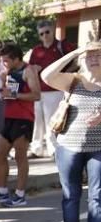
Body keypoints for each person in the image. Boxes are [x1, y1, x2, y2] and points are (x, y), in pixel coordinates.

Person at [41, 41, 101, 222]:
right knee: (70, 194)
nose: (94, 57)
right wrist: (75, 52)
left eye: (98, 54)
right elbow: (46, 76)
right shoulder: (74, 80)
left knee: (97, 195)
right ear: (82, 59)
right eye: (89, 54)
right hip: (68, 146)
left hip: (99, 149)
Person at [0, 43, 42, 207]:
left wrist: (14, 94)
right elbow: (6, 92)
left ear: (16, 59)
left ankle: (20, 194)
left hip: (24, 118)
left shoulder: (28, 70)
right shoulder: (7, 71)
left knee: (20, 156)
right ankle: (2, 192)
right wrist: (3, 90)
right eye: (2, 61)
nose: (4, 64)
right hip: (9, 117)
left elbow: (36, 95)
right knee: (0, 154)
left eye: (6, 61)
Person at [29, 20, 77, 157]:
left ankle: (54, 149)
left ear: (53, 30)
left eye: (47, 32)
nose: (45, 35)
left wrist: (63, 75)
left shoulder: (62, 46)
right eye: (41, 33)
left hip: (55, 90)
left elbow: (76, 60)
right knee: (37, 122)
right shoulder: (36, 50)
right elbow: (31, 68)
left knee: (53, 120)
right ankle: (36, 149)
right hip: (39, 91)